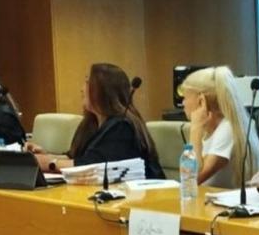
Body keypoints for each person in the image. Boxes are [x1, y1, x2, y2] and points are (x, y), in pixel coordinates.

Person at [31, 63, 165, 179]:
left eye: (87, 82)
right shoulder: (90, 124)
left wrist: (49, 163)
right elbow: (76, 158)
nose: (82, 89)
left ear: (103, 90)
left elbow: (92, 166)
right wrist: (44, 156)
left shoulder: (123, 126)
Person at [177, 66, 259, 188]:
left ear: (201, 101)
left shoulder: (227, 129)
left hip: (230, 200)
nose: (183, 103)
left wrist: (195, 128)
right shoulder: (209, 130)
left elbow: (191, 179)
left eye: (185, 98)